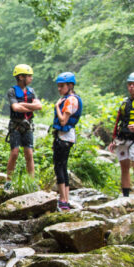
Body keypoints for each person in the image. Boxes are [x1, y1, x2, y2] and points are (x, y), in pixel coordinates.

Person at [5, 64, 42, 188]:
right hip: (16, 125)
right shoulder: (12, 91)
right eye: (29, 76)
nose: (31, 78)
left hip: (28, 125)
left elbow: (39, 106)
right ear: (21, 77)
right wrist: (30, 105)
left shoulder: (31, 91)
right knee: (14, 153)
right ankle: (8, 181)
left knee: (29, 154)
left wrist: (23, 105)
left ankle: (31, 182)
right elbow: (15, 107)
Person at [52, 72, 82, 211]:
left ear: (70, 86)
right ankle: (65, 199)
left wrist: (57, 107)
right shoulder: (72, 98)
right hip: (67, 137)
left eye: (62, 86)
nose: (59, 89)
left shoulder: (70, 100)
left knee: (59, 167)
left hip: (64, 137)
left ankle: (63, 200)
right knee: (62, 166)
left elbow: (63, 120)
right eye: (58, 86)